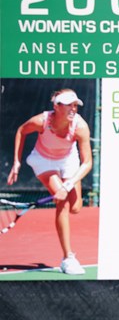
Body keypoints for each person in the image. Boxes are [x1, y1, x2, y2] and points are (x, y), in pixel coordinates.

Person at [6, 89, 92, 275]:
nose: (73, 108)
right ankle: (68, 258)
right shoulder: (41, 121)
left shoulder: (80, 127)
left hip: (68, 160)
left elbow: (87, 163)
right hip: (43, 160)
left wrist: (67, 185)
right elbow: (21, 131)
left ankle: (64, 191)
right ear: (56, 106)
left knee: (75, 207)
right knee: (61, 202)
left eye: (75, 104)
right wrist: (17, 162)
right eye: (69, 104)